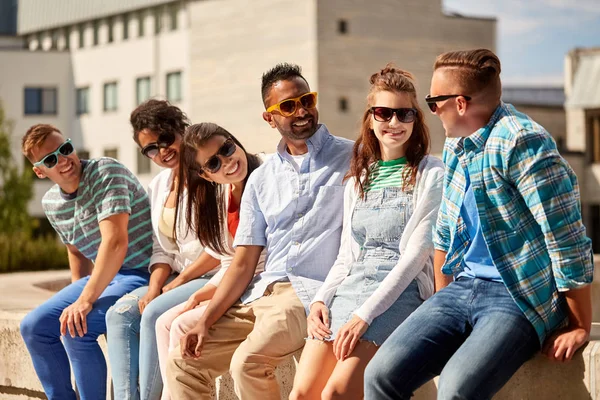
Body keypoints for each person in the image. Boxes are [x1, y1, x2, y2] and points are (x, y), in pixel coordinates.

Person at [364, 48, 594, 400]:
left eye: (433, 101)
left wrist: (578, 324)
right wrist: (442, 309)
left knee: (455, 391)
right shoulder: (457, 142)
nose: (432, 110)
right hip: (461, 290)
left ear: (459, 103)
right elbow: (445, 229)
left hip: (516, 296)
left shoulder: (524, 143)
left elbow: (565, 236)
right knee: (380, 375)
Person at [166, 63, 354, 400]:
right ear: (269, 117)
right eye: (288, 106)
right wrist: (205, 320)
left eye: (306, 100)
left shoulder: (352, 156)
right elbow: (242, 264)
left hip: (307, 295)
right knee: (183, 362)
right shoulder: (261, 180)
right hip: (258, 295)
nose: (301, 111)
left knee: (247, 364)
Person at [290, 65, 444, 400]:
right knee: (301, 394)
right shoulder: (359, 178)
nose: (394, 123)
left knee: (336, 394)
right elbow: (348, 254)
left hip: (399, 295)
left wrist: (364, 316)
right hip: (350, 290)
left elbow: (416, 257)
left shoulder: (431, 173)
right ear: (371, 118)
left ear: (416, 118)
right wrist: (320, 299)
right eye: (384, 113)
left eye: (404, 114)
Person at [19, 124, 152, 400]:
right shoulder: (51, 202)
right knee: (33, 327)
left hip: (143, 272)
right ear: (40, 171)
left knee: (77, 328)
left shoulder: (105, 172)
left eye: (64, 149)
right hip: (107, 278)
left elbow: (115, 243)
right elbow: (77, 250)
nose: (63, 160)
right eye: (51, 159)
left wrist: (85, 301)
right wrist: (77, 295)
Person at [105, 100, 222, 400]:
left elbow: (221, 247)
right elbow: (162, 251)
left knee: (155, 313)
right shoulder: (158, 185)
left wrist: (176, 284)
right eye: (151, 149)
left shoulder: (209, 175)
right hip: (177, 277)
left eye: (166, 139)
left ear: (181, 130)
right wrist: (154, 287)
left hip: (213, 274)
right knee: (119, 315)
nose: (162, 151)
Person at [154, 122, 266, 400]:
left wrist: (207, 299)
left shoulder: (267, 174)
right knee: (163, 321)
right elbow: (229, 261)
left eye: (227, 149)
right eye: (213, 163)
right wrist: (203, 293)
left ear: (235, 140)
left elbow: (251, 264)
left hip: (261, 289)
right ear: (205, 175)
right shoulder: (223, 195)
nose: (227, 162)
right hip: (239, 286)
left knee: (181, 325)